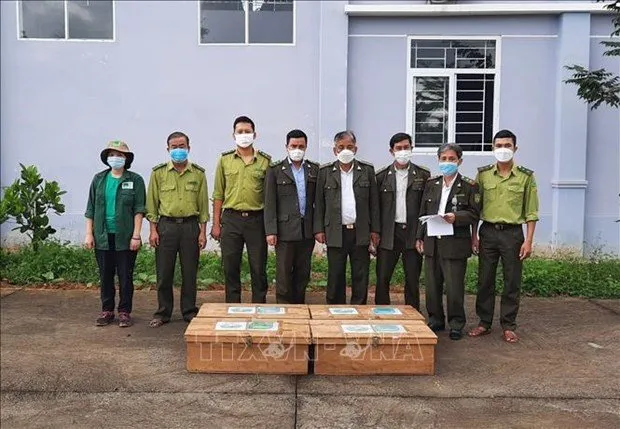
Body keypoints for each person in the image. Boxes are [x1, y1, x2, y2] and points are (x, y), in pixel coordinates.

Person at [468, 129, 539, 344]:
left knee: (511, 280)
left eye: (507, 145)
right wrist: (474, 236)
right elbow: (475, 209)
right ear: (492, 148)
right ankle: (484, 322)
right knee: (485, 279)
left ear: (515, 148)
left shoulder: (526, 176)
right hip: (487, 232)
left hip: (513, 234)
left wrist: (528, 240)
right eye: (498, 146)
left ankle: (508, 325)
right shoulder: (483, 174)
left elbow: (531, 211)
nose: (503, 150)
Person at [416, 143, 480, 340]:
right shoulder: (431, 184)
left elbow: (474, 214)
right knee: (432, 286)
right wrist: (419, 236)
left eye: (451, 159)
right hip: (432, 241)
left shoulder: (469, 186)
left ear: (459, 161)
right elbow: (423, 212)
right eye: (443, 159)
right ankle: (435, 320)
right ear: (438, 160)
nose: (447, 163)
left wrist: (456, 217)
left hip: (455, 243)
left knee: (453, 287)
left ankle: (456, 324)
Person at [146, 131, 209, 327]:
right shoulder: (158, 173)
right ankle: (163, 312)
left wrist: (202, 232)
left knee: (189, 272)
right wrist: (153, 230)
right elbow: (152, 205)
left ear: (188, 148)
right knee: (164, 272)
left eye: (182, 146)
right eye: (174, 147)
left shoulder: (198, 174)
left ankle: (189, 311)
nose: (178, 150)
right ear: (168, 149)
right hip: (166, 227)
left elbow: (203, 206)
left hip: (190, 226)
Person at [314, 130, 380, 305]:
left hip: (360, 231)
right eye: (341, 147)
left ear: (356, 149)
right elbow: (319, 204)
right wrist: (319, 229)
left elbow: (374, 204)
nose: (345, 150)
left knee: (360, 273)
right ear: (335, 150)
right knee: (335, 273)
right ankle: (335, 309)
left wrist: (375, 230)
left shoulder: (366, 170)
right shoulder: (325, 172)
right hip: (335, 230)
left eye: (349, 147)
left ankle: (358, 309)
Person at [85, 140, 146, 328]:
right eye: (112, 154)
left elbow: (139, 209)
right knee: (105, 275)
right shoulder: (99, 179)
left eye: (120, 155)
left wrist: (136, 235)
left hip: (125, 237)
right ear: (107, 158)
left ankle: (125, 312)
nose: (115, 158)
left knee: (125, 276)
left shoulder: (135, 180)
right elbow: (91, 208)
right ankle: (107, 310)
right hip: (103, 236)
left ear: (126, 158)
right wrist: (89, 234)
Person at [211, 116, 271, 303]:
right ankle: (233, 306)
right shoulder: (225, 160)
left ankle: (259, 305)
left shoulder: (265, 161)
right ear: (233, 135)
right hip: (231, 219)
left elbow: (270, 197)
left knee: (258, 266)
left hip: (256, 220)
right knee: (230, 265)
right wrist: (216, 224)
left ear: (255, 134)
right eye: (240, 132)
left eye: (247, 132)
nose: (244, 135)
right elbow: (218, 193)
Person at [375, 132, 430, 309]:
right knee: (383, 277)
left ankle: (413, 313)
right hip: (389, 233)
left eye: (406, 147)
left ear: (411, 148)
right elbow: (375, 208)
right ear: (391, 151)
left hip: (412, 233)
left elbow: (426, 207)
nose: (403, 151)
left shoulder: (423, 174)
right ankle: (382, 312)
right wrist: (375, 233)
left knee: (412, 278)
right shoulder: (381, 176)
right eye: (399, 148)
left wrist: (421, 235)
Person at [264, 129, 319, 304]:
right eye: (293, 146)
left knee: (303, 272)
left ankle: (299, 306)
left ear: (306, 147)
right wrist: (271, 231)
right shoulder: (275, 170)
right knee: (284, 272)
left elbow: (317, 203)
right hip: (284, 230)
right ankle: (284, 307)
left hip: (306, 229)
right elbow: (270, 203)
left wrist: (318, 229)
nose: (297, 149)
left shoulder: (314, 170)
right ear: (286, 147)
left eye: (301, 146)